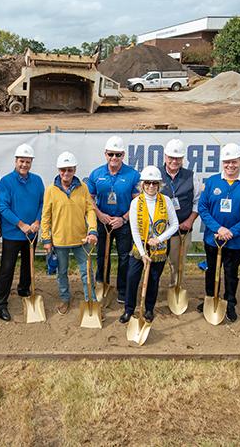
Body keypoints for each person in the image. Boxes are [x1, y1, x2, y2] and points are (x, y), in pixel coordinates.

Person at [197, 143, 240, 322]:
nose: (230, 166)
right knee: (211, 270)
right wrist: (218, 229)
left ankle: (230, 302)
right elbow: (203, 208)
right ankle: (210, 298)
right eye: (226, 162)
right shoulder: (212, 182)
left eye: (234, 162)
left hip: (236, 240)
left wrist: (231, 232)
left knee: (231, 272)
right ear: (222, 163)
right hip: (214, 238)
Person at [120, 166, 179, 324]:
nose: (151, 186)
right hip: (140, 249)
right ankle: (129, 309)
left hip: (159, 250)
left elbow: (174, 225)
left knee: (153, 279)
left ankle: (149, 309)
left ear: (159, 184)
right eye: (147, 183)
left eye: (154, 183)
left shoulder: (165, 201)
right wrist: (143, 253)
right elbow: (134, 230)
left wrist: (159, 239)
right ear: (142, 184)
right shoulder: (135, 203)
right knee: (132, 278)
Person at [41, 152, 98, 314]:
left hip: (82, 239)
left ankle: (91, 300)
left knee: (86, 272)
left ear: (75, 170)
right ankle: (65, 298)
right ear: (59, 170)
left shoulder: (83, 188)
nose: (66, 173)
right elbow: (46, 216)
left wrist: (92, 230)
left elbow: (90, 210)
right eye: (63, 170)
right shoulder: (51, 190)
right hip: (59, 241)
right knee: (62, 273)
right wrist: (46, 238)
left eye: (70, 170)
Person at [0, 144, 44, 321]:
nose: (24, 165)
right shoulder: (6, 182)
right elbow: (3, 207)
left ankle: (23, 289)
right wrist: (20, 224)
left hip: (32, 232)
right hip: (13, 233)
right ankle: (0, 302)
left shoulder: (37, 180)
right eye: (21, 161)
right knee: (7, 267)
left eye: (27, 161)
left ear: (31, 162)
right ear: (16, 161)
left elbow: (41, 203)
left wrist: (37, 221)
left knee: (28, 265)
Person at [87, 136, 140, 304]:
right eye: (111, 154)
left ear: (123, 155)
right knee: (102, 255)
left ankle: (122, 290)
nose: (114, 158)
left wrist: (123, 219)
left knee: (124, 257)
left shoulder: (133, 175)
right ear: (105, 154)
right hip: (103, 222)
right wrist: (99, 214)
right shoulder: (96, 174)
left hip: (123, 223)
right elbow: (89, 198)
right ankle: (102, 284)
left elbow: (137, 201)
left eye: (118, 154)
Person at [160, 139, 201, 287]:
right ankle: (152, 293)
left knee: (177, 264)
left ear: (182, 159)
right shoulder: (156, 175)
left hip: (182, 229)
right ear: (165, 157)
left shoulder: (191, 176)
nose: (174, 161)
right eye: (171, 157)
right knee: (156, 263)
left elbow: (197, 201)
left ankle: (175, 288)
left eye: (178, 158)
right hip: (159, 230)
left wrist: (190, 220)